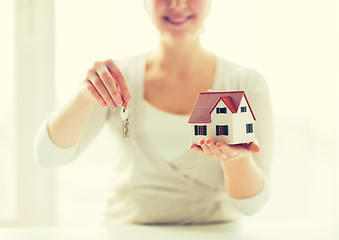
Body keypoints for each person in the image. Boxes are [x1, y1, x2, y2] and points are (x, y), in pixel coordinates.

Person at [34, 0, 273, 225]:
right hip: (126, 232)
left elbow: (252, 206)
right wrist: (84, 95)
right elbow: (48, 156)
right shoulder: (116, 79)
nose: (177, 4)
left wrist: (236, 161)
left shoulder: (244, 82)